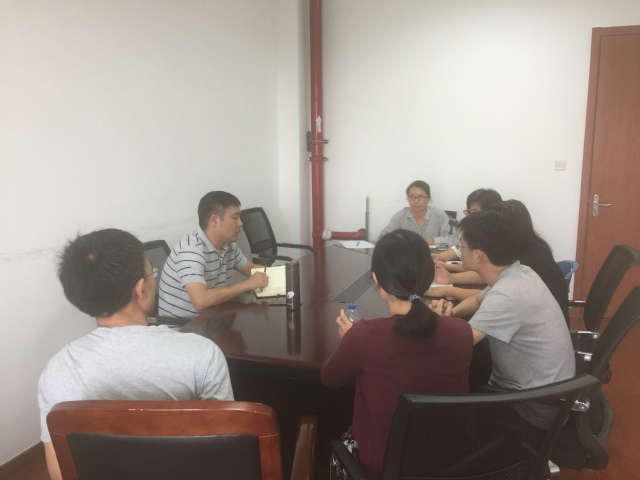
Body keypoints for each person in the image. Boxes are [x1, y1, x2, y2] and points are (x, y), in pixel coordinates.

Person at [38, 229, 233, 480]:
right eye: (152, 273)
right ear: (141, 290)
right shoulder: (202, 354)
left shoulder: (55, 371)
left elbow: (60, 471)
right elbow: (223, 451)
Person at [321, 229, 473, 479]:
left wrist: (349, 341)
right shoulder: (461, 331)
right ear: (428, 277)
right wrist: (444, 323)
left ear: (375, 279)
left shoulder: (363, 336)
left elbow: (330, 378)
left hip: (382, 468)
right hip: (450, 464)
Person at [432, 211, 575, 391]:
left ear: (478, 255)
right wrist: (453, 313)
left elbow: (456, 346)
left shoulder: (507, 294)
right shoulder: (520, 272)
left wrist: (441, 321)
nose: (459, 251)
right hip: (551, 382)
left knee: (444, 375)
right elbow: (477, 300)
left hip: (533, 399)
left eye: (461, 246)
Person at [429, 200, 570, 325]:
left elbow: (465, 339)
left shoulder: (521, 269)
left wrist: (445, 298)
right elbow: (479, 297)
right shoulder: (518, 261)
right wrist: (452, 311)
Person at [158, 191, 269, 318]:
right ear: (215, 221)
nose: (240, 223)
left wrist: (277, 277)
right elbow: (200, 301)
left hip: (213, 316)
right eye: (235, 218)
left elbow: (250, 269)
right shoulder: (190, 250)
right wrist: (247, 285)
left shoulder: (228, 244)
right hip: (185, 325)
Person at [433, 188, 502, 263]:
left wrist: (447, 269)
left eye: (475, 212)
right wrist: (436, 257)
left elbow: (482, 268)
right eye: (468, 212)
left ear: (491, 212)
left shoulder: (498, 236)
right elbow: (459, 250)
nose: (470, 217)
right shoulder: (469, 229)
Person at [379, 180, 450, 245]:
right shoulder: (400, 216)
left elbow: (452, 239)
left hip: (434, 254)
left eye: (421, 197)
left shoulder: (440, 215)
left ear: (428, 199)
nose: (416, 201)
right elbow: (383, 237)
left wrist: (432, 240)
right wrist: (400, 240)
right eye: (412, 197)